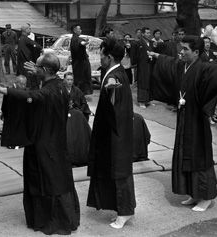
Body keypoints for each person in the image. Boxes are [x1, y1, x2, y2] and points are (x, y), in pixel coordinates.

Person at [0, 53, 80, 235]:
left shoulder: (49, 91)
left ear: (45, 70)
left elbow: (34, 97)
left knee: (46, 180)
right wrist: (35, 74)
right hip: (56, 141)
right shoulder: (59, 85)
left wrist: (5, 91)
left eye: (38, 67)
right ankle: (64, 217)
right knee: (58, 178)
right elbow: (39, 96)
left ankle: (51, 220)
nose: (34, 69)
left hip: (44, 144)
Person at [149, 35, 217, 212]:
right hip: (184, 117)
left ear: (196, 52)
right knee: (184, 154)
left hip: (197, 120)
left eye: (185, 49)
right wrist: (157, 56)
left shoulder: (202, 67)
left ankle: (206, 197)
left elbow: (215, 70)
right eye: (181, 48)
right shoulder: (183, 65)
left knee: (198, 157)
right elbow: (171, 62)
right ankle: (193, 193)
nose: (181, 52)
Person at [87, 39, 135, 229]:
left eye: (101, 54)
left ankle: (125, 211)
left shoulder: (114, 77)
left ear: (108, 56)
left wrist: (112, 90)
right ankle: (120, 208)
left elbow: (116, 100)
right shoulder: (115, 73)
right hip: (112, 132)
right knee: (113, 170)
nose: (99, 57)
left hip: (117, 133)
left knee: (119, 172)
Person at [63, 72, 91, 167]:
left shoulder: (77, 91)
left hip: (77, 116)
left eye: (71, 80)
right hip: (64, 116)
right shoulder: (60, 90)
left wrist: (78, 111)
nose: (70, 82)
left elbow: (84, 104)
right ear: (64, 80)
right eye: (68, 79)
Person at [131, 27, 155, 108]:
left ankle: (148, 100)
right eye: (147, 33)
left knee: (150, 81)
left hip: (150, 64)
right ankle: (141, 101)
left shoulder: (151, 42)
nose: (149, 34)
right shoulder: (137, 43)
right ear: (143, 33)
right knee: (142, 82)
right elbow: (134, 55)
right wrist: (135, 64)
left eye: (149, 33)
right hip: (142, 65)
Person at [17, 25, 42, 90]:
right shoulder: (25, 39)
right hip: (27, 63)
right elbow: (37, 47)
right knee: (29, 82)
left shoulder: (21, 38)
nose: (30, 30)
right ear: (25, 30)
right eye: (29, 28)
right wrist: (41, 50)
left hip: (22, 63)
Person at [70, 24, 93, 95]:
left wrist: (85, 42)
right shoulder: (75, 39)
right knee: (80, 79)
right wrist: (85, 42)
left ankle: (81, 93)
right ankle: (79, 94)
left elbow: (82, 43)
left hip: (80, 63)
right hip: (80, 64)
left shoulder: (76, 38)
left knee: (81, 79)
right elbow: (81, 43)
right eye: (79, 29)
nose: (81, 30)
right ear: (74, 30)